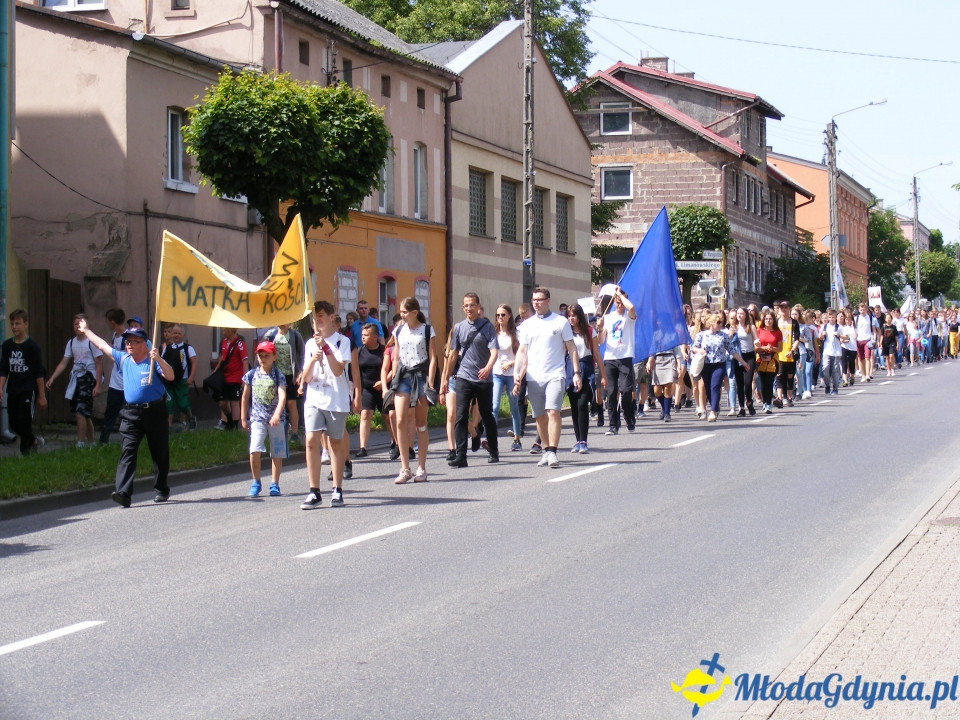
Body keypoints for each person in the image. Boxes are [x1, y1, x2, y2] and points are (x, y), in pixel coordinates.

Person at [77, 319, 174, 507]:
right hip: (131, 414)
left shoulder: (153, 361)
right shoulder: (123, 359)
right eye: (128, 341)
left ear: (145, 345)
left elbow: (170, 376)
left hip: (155, 411)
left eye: (134, 341)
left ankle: (161, 489)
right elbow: (103, 345)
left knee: (159, 452)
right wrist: (87, 330)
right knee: (127, 452)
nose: (129, 345)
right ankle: (123, 492)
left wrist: (159, 359)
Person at [512, 287, 579, 469]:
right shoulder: (527, 325)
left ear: (548, 300)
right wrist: (517, 373)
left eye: (540, 299)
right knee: (540, 417)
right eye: (534, 300)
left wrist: (576, 373)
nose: (536, 303)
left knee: (553, 412)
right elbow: (522, 351)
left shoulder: (560, 322)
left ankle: (553, 451)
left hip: (555, 374)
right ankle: (545, 451)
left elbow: (572, 348)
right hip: (534, 376)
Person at [298, 301, 351, 508]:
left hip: (336, 400)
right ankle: (314, 491)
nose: (318, 320)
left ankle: (337, 489)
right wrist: (312, 360)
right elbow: (307, 377)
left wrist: (326, 350)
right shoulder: (310, 344)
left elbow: (338, 371)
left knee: (335, 442)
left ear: (331, 318)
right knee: (311, 440)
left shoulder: (341, 342)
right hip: (314, 398)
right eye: (315, 317)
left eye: (321, 315)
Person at [443, 293, 499, 467]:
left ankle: (494, 450)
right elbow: (452, 355)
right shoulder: (459, 327)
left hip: (483, 378)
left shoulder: (487, 327)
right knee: (460, 416)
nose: (469, 308)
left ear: (478, 306)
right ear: (463, 307)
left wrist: (488, 367)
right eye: (466, 305)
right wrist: (445, 378)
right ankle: (461, 455)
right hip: (464, 377)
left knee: (487, 415)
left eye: (472, 305)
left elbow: (494, 351)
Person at [389, 296, 438, 484]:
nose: (401, 315)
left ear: (414, 312)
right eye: (401, 311)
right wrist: (394, 379)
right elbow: (396, 357)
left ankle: (421, 467)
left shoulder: (426, 330)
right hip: (403, 376)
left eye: (404, 312)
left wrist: (431, 381)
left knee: (420, 423)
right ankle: (405, 468)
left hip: (420, 376)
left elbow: (433, 357)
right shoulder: (398, 330)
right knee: (400, 419)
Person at [46, 313, 103, 448]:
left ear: (87, 325)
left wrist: (98, 385)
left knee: (80, 411)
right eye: (75, 324)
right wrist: (52, 378)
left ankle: (80, 443)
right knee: (85, 413)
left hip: (89, 377)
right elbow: (64, 362)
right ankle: (91, 442)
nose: (78, 326)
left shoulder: (92, 342)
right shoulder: (71, 342)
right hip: (76, 378)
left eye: (81, 323)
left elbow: (99, 365)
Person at [240, 341, 287, 498]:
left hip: (276, 420)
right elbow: (245, 396)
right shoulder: (251, 374)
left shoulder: (279, 376)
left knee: (277, 451)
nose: (263, 359)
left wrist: (277, 414)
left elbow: (282, 397)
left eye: (266, 356)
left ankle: (275, 483)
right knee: (254, 450)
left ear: (274, 357)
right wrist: (243, 417)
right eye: (260, 356)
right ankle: (256, 481)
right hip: (257, 419)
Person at [0, 309, 48, 454]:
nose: (14, 327)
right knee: (14, 422)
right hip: (13, 389)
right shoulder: (7, 345)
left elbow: (39, 373)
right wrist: (1, 388)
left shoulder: (33, 347)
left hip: (28, 389)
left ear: (25, 324)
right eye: (12, 324)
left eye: (17, 324)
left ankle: (26, 453)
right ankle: (34, 441)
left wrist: (41, 395)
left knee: (25, 421)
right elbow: (3, 369)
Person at [690, 313, 749, 422]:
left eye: (721, 322)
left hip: (719, 364)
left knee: (715, 386)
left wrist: (743, 362)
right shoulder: (702, 335)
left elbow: (732, 350)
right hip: (706, 365)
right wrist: (699, 351)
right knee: (708, 388)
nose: (720, 324)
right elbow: (694, 348)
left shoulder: (723, 335)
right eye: (718, 322)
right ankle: (715, 406)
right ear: (711, 323)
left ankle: (712, 411)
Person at [598, 286, 637, 435]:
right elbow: (601, 341)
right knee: (611, 391)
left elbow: (631, 307)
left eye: (621, 301)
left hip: (625, 356)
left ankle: (628, 416)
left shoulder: (629, 316)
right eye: (616, 301)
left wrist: (620, 294)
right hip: (610, 358)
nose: (619, 304)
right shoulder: (608, 318)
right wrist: (600, 329)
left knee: (626, 391)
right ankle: (613, 424)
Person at [566, 303, 605, 449]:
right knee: (575, 406)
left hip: (587, 367)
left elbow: (596, 352)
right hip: (570, 368)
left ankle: (584, 441)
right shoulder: (566, 333)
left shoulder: (589, 331)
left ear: (579, 316)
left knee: (583, 404)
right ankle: (578, 440)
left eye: (574, 315)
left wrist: (603, 375)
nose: (571, 318)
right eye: (569, 316)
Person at [263, 323, 305, 443]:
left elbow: (302, 354)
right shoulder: (270, 335)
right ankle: (274, 431)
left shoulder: (295, 336)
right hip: (275, 375)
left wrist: (300, 371)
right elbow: (262, 353)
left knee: (291, 403)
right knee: (276, 403)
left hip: (291, 375)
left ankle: (295, 433)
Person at [491, 303, 523, 451]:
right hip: (497, 373)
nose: (500, 318)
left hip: (512, 374)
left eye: (503, 315)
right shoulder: (494, 333)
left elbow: (522, 356)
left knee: (513, 406)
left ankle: (517, 439)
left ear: (509, 315)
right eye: (498, 315)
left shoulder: (516, 334)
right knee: (495, 406)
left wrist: (510, 363)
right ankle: (492, 439)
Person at [351, 322, 385, 457]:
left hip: (383, 388)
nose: (363, 338)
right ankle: (363, 447)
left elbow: (392, 368)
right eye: (362, 335)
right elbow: (355, 372)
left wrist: (384, 382)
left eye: (366, 335)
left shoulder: (384, 351)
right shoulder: (359, 352)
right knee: (365, 415)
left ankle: (395, 443)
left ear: (375, 337)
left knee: (388, 417)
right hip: (367, 389)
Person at [160, 323, 197, 431]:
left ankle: (191, 419)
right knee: (169, 403)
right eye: (174, 333)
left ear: (183, 335)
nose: (176, 335)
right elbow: (162, 362)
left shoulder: (188, 348)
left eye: (179, 333)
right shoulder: (168, 348)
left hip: (182, 380)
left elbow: (194, 363)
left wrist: (191, 377)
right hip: (168, 381)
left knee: (183, 404)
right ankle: (168, 427)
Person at [210, 328, 249, 430]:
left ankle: (234, 427)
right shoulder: (223, 342)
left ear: (231, 330)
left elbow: (245, 361)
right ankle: (228, 421)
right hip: (224, 377)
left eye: (224, 329)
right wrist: (216, 371)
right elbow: (221, 359)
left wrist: (245, 379)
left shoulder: (240, 343)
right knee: (222, 402)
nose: (222, 330)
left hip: (236, 378)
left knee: (234, 402)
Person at [99, 308, 127, 443]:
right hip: (115, 383)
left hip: (127, 383)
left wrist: (111, 351)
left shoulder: (128, 337)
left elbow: (125, 358)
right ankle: (103, 442)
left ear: (112, 322)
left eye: (108, 322)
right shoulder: (115, 335)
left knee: (130, 414)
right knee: (110, 413)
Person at [755, 309, 782, 413]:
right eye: (766, 319)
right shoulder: (759, 330)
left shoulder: (777, 332)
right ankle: (764, 403)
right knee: (762, 382)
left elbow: (780, 349)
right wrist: (764, 348)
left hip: (773, 360)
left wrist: (772, 348)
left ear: (773, 320)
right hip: (760, 359)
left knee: (769, 382)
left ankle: (769, 404)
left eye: (770, 319)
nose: (768, 321)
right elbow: (756, 347)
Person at [774, 301, 799, 408]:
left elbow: (797, 339)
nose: (783, 310)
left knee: (789, 376)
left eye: (785, 308)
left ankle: (788, 397)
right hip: (778, 353)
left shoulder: (793, 323)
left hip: (790, 353)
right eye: (781, 308)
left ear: (789, 309)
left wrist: (792, 350)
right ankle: (780, 398)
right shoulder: (776, 322)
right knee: (779, 376)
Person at [855, 302, 879, 382]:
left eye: (864, 309)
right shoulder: (856, 318)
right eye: (861, 310)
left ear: (866, 310)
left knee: (867, 357)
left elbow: (874, 330)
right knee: (861, 359)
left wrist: (874, 339)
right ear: (859, 310)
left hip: (867, 340)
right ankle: (863, 375)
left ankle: (868, 374)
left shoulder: (871, 318)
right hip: (859, 340)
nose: (862, 311)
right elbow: (854, 330)